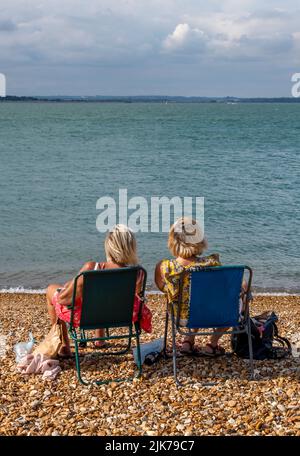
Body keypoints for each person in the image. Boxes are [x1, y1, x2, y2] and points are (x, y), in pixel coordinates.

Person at [46, 224, 151, 358]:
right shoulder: (138, 273)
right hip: (121, 316)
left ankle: (65, 346)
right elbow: (132, 297)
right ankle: (99, 338)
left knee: (51, 290)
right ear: (131, 248)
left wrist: (66, 288)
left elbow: (64, 299)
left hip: (86, 318)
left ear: (109, 246)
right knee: (104, 297)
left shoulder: (93, 268)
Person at [155, 217, 229, 356]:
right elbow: (224, 286)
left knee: (190, 300)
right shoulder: (211, 264)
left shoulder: (165, 267)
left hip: (180, 317)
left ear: (173, 240)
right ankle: (212, 343)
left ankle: (188, 342)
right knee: (206, 299)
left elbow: (162, 287)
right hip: (209, 315)